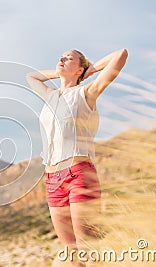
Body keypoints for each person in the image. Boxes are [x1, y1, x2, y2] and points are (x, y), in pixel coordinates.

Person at [26, 48, 128, 266]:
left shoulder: (87, 92)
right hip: (53, 180)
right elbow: (31, 77)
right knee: (71, 254)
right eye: (60, 57)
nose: (61, 59)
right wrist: (60, 72)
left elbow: (121, 55)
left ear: (80, 68)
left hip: (79, 175)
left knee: (87, 248)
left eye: (68, 58)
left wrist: (89, 72)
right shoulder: (50, 95)